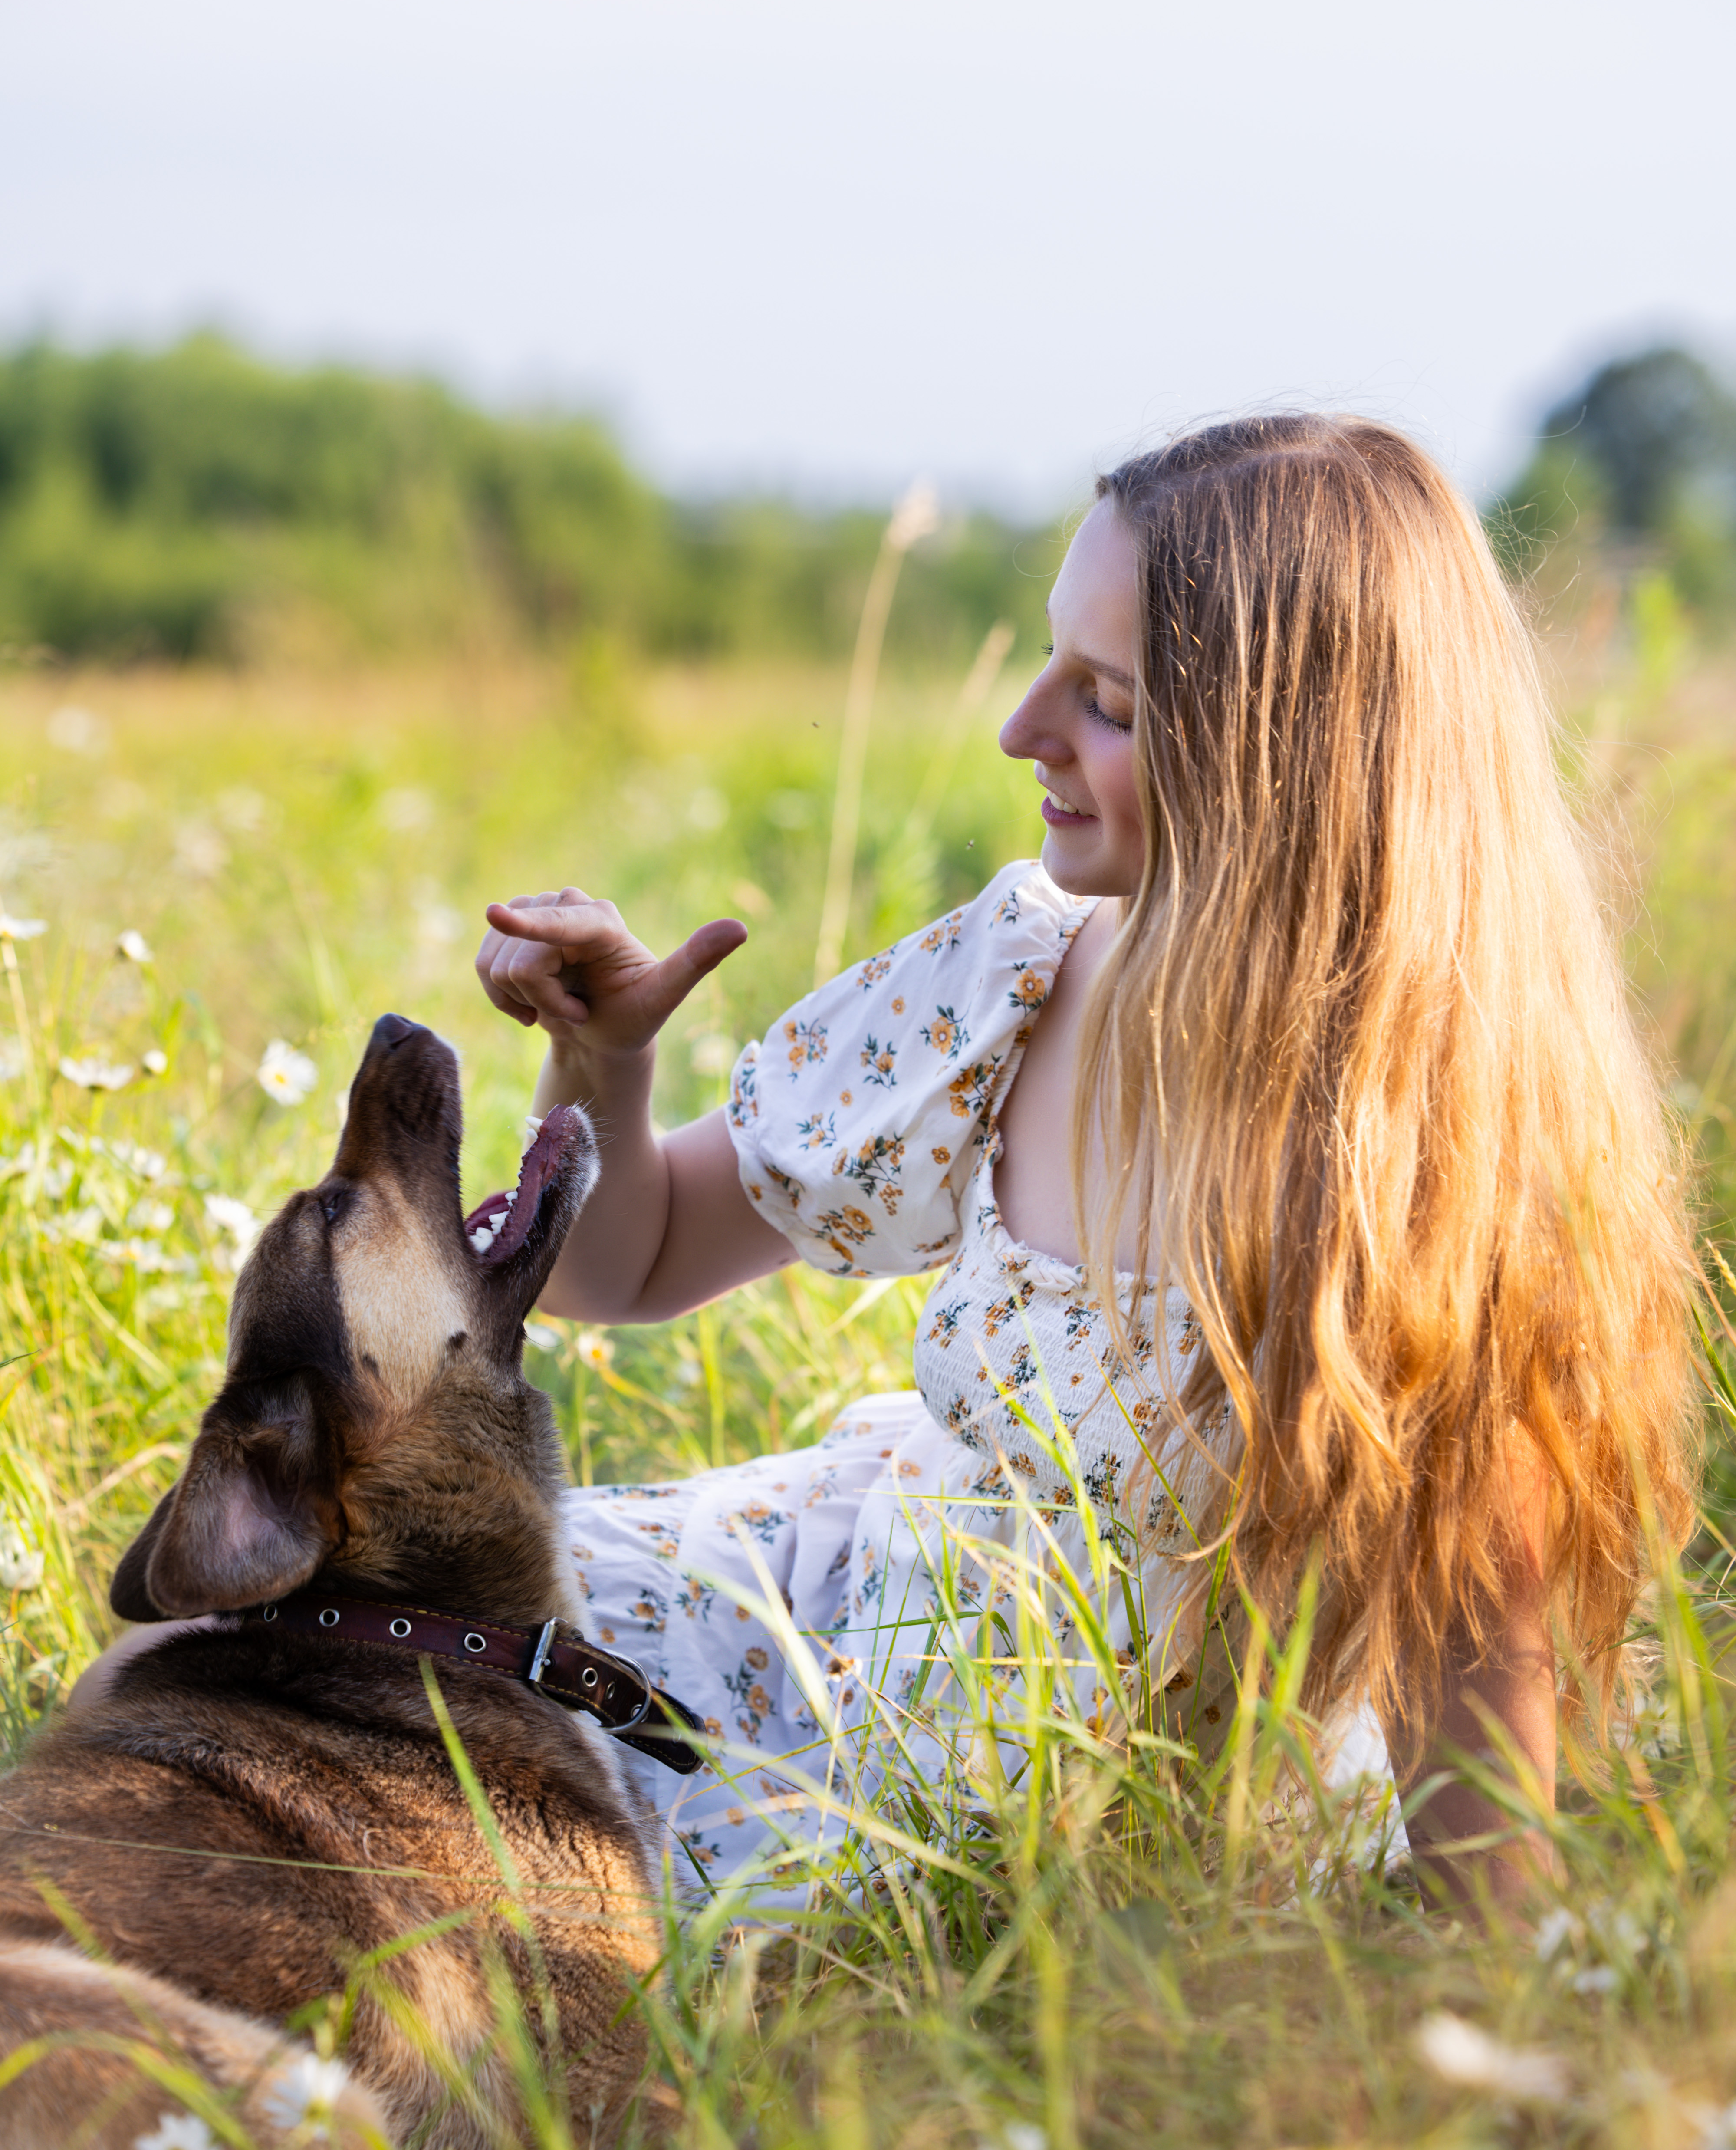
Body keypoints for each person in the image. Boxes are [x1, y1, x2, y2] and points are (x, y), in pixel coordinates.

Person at [474, 417, 1692, 1917]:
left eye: (1105, 699)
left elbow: (1488, 1820)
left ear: (1287, 759)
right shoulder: (1018, 981)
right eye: (1055, 663)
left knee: (550, 1897)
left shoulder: (1428, 1189)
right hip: (837, 1602)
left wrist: (1490, 2013)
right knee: (329, 1639)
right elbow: (624, 1269)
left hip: (1031, 1793)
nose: (1023, 726)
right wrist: (604, 1059)